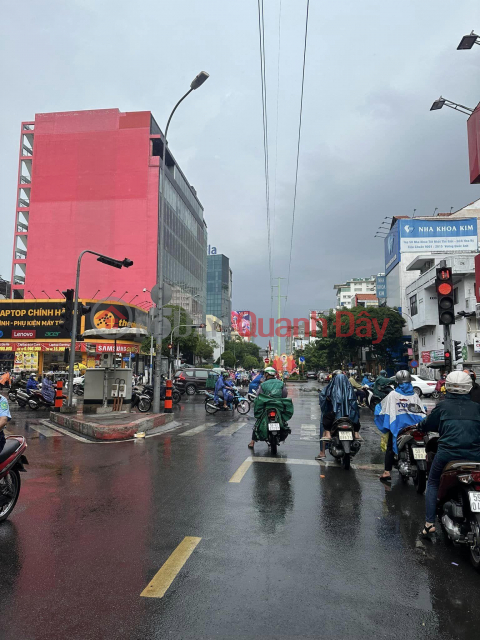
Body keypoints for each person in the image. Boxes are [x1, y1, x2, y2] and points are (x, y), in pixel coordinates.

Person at [415, 371, 480, 539]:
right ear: (469, 388)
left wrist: (420, 426)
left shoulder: (442, 407)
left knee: (433, 482)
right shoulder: (477, 408)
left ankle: (429, 524)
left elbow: (427, 424)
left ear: (447, 387)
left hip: (448, 454)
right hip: (475, 455)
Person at [374, 370, 425, 483]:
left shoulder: (393, 395)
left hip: (398, 427)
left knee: (390, 447)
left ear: (397, 382)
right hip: (415, 426)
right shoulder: (415, 395)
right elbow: (422, 410)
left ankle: (387, 472)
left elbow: (382, 409)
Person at [318, 372, 361, 457]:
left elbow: (323, 397)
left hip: (335, 415)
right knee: (356, 418)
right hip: (349, 415)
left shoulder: (330, 388)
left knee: (325, 421)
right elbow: (354, 404)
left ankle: (325, 444)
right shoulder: (350, 388)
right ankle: (356, 433)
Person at [248, 367, 287, 449]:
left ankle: (252, 442)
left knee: (258, 422)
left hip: (266, 407)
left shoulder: (263, 384)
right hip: (278, 406)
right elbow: (284, 395)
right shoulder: (281, 383)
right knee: (283, 421)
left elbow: (259, 396)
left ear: (267, 374)